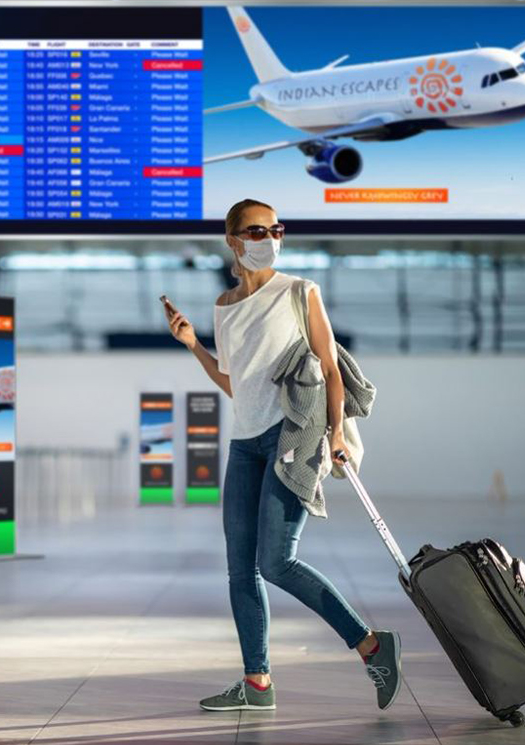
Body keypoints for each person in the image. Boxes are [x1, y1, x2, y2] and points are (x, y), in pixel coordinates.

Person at [164, 198, 402, 713]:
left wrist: (337, 432)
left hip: (292, 436)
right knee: (239, 568)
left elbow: (331, 368)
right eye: (255, 231)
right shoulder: (224, 307)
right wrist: (193, 345)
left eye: (275, 229)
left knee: (275, 561)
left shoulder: (299, 291)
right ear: (232, 240)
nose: (268, 238)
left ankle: (372, 645)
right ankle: (257, 683)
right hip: (244, 443)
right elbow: (236, 384)